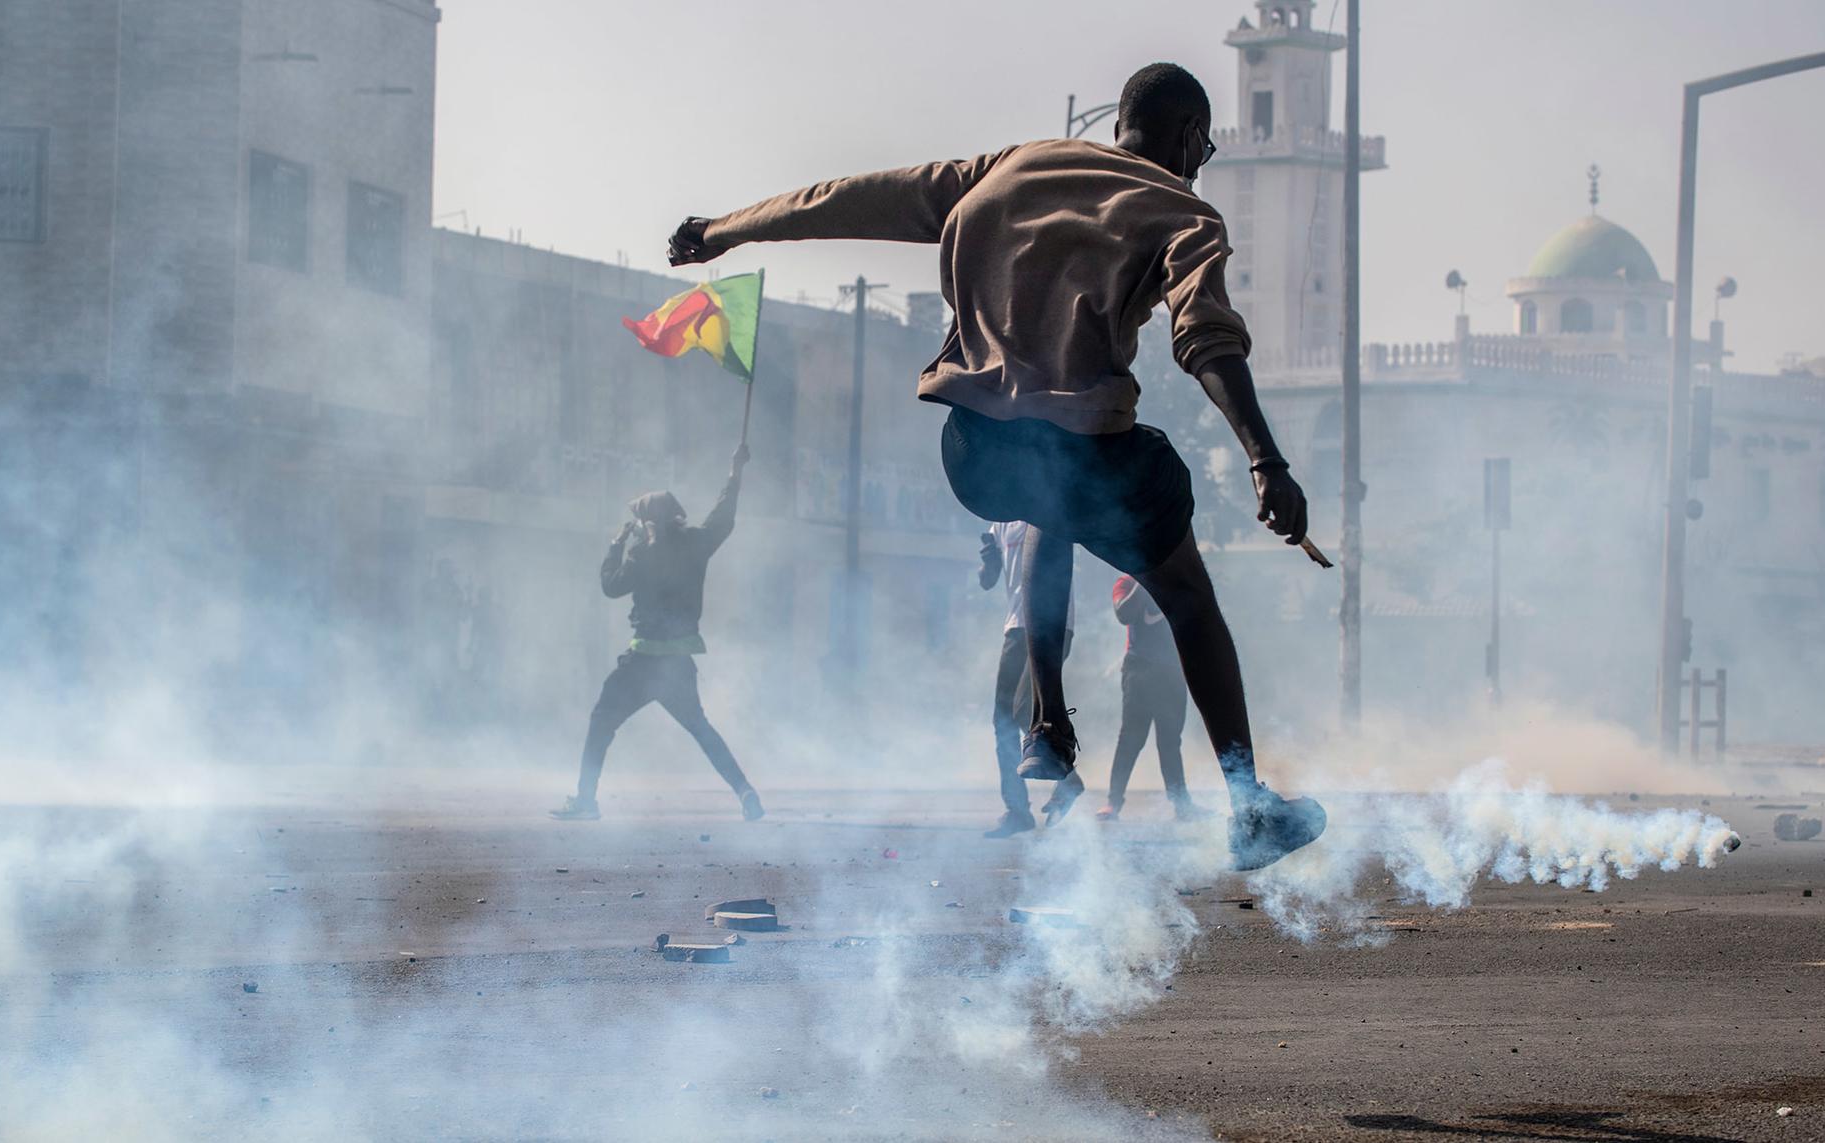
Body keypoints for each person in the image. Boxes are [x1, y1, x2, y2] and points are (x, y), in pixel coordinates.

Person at [663, 63, 1323, 869]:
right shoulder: (1183, 210)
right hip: (1083, 448)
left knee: (1052, 500)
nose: (1202, 160)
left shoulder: (1004, 168)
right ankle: (1250, 807)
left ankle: (1046, 718)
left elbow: (843, 200)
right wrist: (1266, 458)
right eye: (1205, 146)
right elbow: (1207, 338)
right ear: (1188, 138)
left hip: (973, 453)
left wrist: (724, 230)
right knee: (1183, 590)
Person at [550, 446, 764, 822]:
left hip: (644, 661)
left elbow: (610, 586)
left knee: (602, 719)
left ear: (650, 522)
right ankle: (746, 791)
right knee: (701, 730)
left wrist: (616, 545)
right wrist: (734, 474)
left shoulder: (642, 554)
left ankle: (586, 800)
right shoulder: (696, 544)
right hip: (678, 663)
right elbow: (723, 519)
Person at [977, 521, 1078, 838]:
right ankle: (1017, 810)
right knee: (1003, 719)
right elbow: (986, 582)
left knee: (1024, 710)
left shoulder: (1048, 511)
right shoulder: (999, 525)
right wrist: (989, 560)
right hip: (1015, 627)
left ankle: (1068, 781)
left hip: (1052, 625)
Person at [1087, 575, 1207, 822]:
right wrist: (1145, 579)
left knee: (1170, 742)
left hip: (1172, 671)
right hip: (1139, 670)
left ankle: (1182, 805)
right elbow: (1124, 615)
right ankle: (1113, 802)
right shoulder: (1126, 583)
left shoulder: (1177, 580)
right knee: (1130, 740)